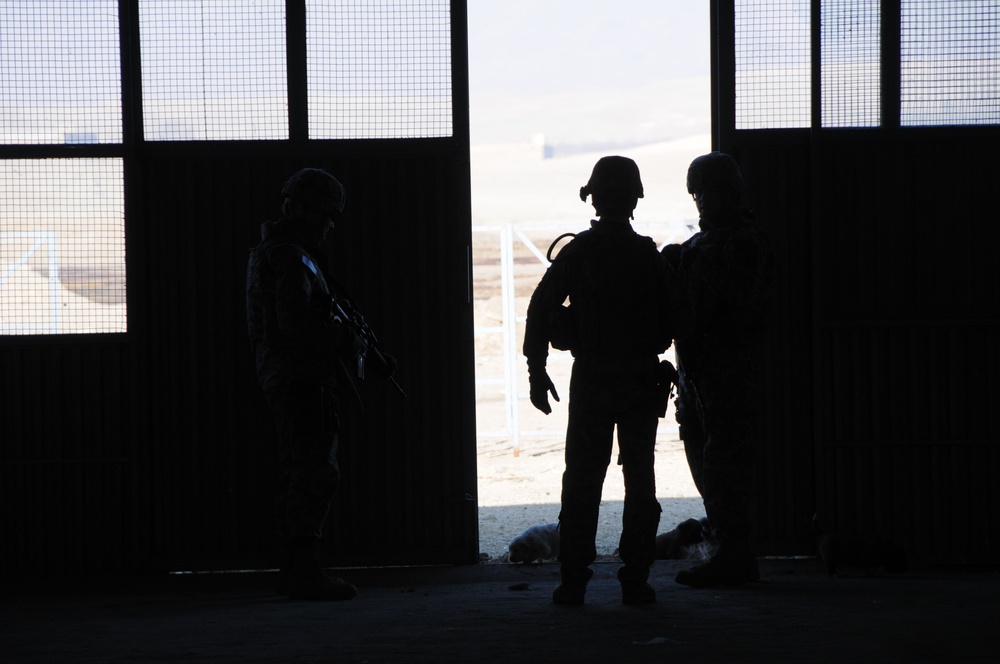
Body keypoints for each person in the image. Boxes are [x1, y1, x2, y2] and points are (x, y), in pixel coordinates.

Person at [523, 156, 675, 605]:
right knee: (640, 481)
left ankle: (574, 579)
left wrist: (537, 369)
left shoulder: (580, 252)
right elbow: (679, 317)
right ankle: (635, 577)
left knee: (584, 481)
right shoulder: (649, 255)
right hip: (638, 381)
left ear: (594, 196)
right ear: (635, 199)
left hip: (593, 380)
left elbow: (540, 307)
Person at [246, 168, 394, 600]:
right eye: (326, 214)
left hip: (291, 376)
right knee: (314, 472)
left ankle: (296, 567)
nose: (331, 224)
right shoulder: (290, 256)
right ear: (301, 210)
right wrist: (346, 339)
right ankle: (305, 572)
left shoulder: (279, 252)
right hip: (300, 378)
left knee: (300, 469)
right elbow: (296, 324)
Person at [663, 152, 772, 588]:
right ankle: (726, 545)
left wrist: (693, 261)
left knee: (725, 462)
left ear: (732, 191)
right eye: (698, 193)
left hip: (729, 372)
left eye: (712, 191)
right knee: (704, 456)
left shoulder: (744, 243)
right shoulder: (697, 246)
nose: (704, 201)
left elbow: (741, 298)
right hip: (696, 375)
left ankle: (735, 552)